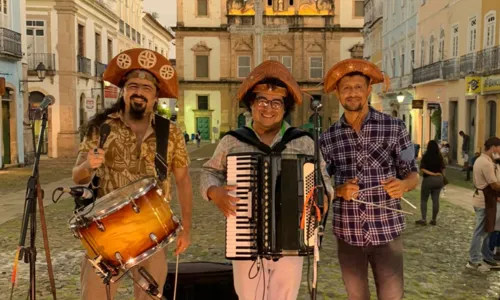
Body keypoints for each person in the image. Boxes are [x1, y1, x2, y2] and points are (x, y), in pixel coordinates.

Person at [200, 60, 333, 300]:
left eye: (276, 103)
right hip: (245, 237)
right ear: (251, 104)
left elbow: (322, 180)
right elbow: (209, 171)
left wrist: (320, 201)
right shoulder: (233, 141)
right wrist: (213, 191)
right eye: (261, 101)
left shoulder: (303, 142)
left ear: (284, 108)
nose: (268, 108)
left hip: (291, 240)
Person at [72, 48, 193, 299]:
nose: (139, 92)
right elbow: (77, 176)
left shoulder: (170, 133)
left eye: (146, 88)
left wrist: (187, 228)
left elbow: (183, 180)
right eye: (133, 86)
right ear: (124, 91)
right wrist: (88, 166)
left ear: (156, 96)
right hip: (107, 233)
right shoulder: (101, 128)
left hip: (153, 232)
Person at [319, 59, 419, 299]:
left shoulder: (396, 128)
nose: (352, 93)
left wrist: (404, 185)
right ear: (337, 93)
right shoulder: (327, 137)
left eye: (357, 87)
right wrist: (339, 189)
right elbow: (322, 182)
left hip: (387, 231)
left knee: (392, 296)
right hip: (348, 233)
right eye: (346, 88)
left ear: (368, 90)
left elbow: (413, 173)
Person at [467, 137, 500, 272]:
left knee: (487, 229)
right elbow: (493, 184)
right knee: (480, 231)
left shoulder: (483, 160)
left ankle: (485, 256)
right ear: (493, 147)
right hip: (484, 200)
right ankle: (473, 259)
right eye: (499, 148)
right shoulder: (485, 163)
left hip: (484, 199)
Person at [415, 140, 445, 226]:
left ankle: (423, 219)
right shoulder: (440, 156)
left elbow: (422, 169)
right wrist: (442, 178)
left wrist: (432, 174)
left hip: (428, 179)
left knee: (424, 199)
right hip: (439, 179)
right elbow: (443, 168)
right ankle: (434, 219)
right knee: (436, 200)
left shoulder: (426, 156)